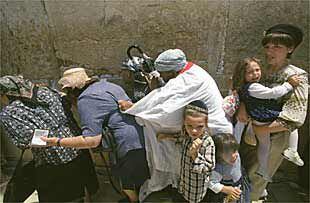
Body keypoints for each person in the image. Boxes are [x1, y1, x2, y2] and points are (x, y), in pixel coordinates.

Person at [119, 49, 232, 201]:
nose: (162, 76)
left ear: (172, 72)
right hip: (210, 126)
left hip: (215, 133)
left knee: (210, 176)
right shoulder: (193, 70)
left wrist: (134, 108)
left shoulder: (186, 81)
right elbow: (166, 93)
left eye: (163, 73)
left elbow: (164, 108)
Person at [41, 67, 150, 202]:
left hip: (127, 146)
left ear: (72, 90)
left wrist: (57, 142)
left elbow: (91, 140)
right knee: (141, 184)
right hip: (142, 137)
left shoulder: (87, 99)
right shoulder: (109, 85)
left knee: (130, 187)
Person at [0, 75, 98, 202]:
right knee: (83, 191)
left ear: (4, 94)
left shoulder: (9, 113)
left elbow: (25, 141)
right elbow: (67, 104)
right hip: (78, 148)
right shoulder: (47, 91)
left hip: (53, 160)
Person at [238, 24, 308, 201]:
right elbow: (247, 92)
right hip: (253, 132)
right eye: (268, 46)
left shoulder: (296, 76)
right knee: (244, 170)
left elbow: (296, 115)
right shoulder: (262, 71)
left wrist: (262, 129)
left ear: (290, 49)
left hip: (275, 135)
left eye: (277, 47)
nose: (270, 51)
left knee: (257, 177)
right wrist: (243, 106)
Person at [231, 57, 303, 182]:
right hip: (267, 116)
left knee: (264, 146)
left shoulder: (245, 87)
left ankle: (263, 170)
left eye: (257, 70)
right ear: (243, 75)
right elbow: (273, 93)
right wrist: (289, 84)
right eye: (250, 72)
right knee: (292, 124)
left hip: (258, 119)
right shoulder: (253, 87)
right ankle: (292, 150)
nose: (255, 74)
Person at [176, 100, 215, 203]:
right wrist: (166, 136)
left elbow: (209, 168)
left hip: (195, 192)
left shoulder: (207, 142)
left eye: (199, 127)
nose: (194, 131)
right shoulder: (187, 135)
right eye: (190, 126)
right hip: (183, 185)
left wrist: (195, 155)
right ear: (184, 122)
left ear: (206, 124)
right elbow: (180, 139)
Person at [207, 133, 250, 203]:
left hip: (239, 182)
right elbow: (211, 183)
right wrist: (226, 189)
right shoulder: (218, 168)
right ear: (218, 154)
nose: (234, 155)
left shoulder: (235, 156)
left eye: (235, 151)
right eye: (228, 153)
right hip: (227, 189)